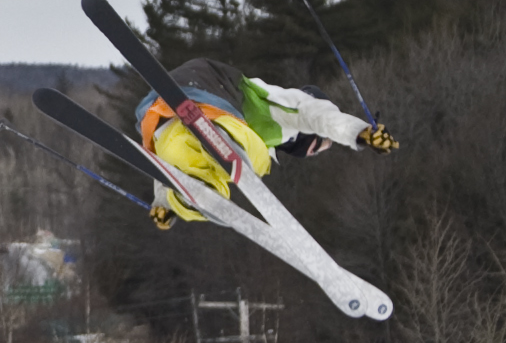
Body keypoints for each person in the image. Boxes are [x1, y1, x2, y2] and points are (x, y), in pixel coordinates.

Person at [136, 55, 396, 227]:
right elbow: (318, 116)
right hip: (207, 92)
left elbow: (165, 168)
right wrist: (359, 132)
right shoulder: (286, 108)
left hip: (160, 121)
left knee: (198, 171)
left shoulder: (270, 139)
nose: (314, 152)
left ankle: (188, 198)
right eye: (319, 146)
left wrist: (163, 202)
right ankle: (218, 133)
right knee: (257, 161)